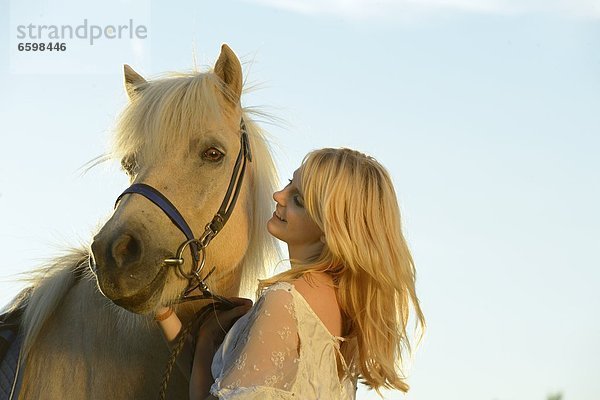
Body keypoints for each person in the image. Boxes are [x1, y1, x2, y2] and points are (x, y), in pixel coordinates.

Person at [156, 147, 425, 399]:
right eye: (289, 183)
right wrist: (165, 314)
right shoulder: (345, 314)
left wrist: (206, 341)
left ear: (329, 230)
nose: (278, 196)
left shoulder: (285, 300)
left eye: (298, 200)